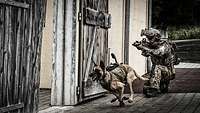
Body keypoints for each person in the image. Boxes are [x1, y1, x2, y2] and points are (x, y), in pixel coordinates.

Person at [132, 28, 180, 97]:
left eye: (150, 38)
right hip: (157, 72)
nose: (149, 40)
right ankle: (162, 85)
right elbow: (146, 54)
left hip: (168, 72)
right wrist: (140, 46)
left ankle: (154, 89)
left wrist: (143, 47)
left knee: (157, 67)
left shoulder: (165, 45)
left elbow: (158, 53)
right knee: (146, 88)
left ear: (156, 37)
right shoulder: (152, 46)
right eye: (148, 38)